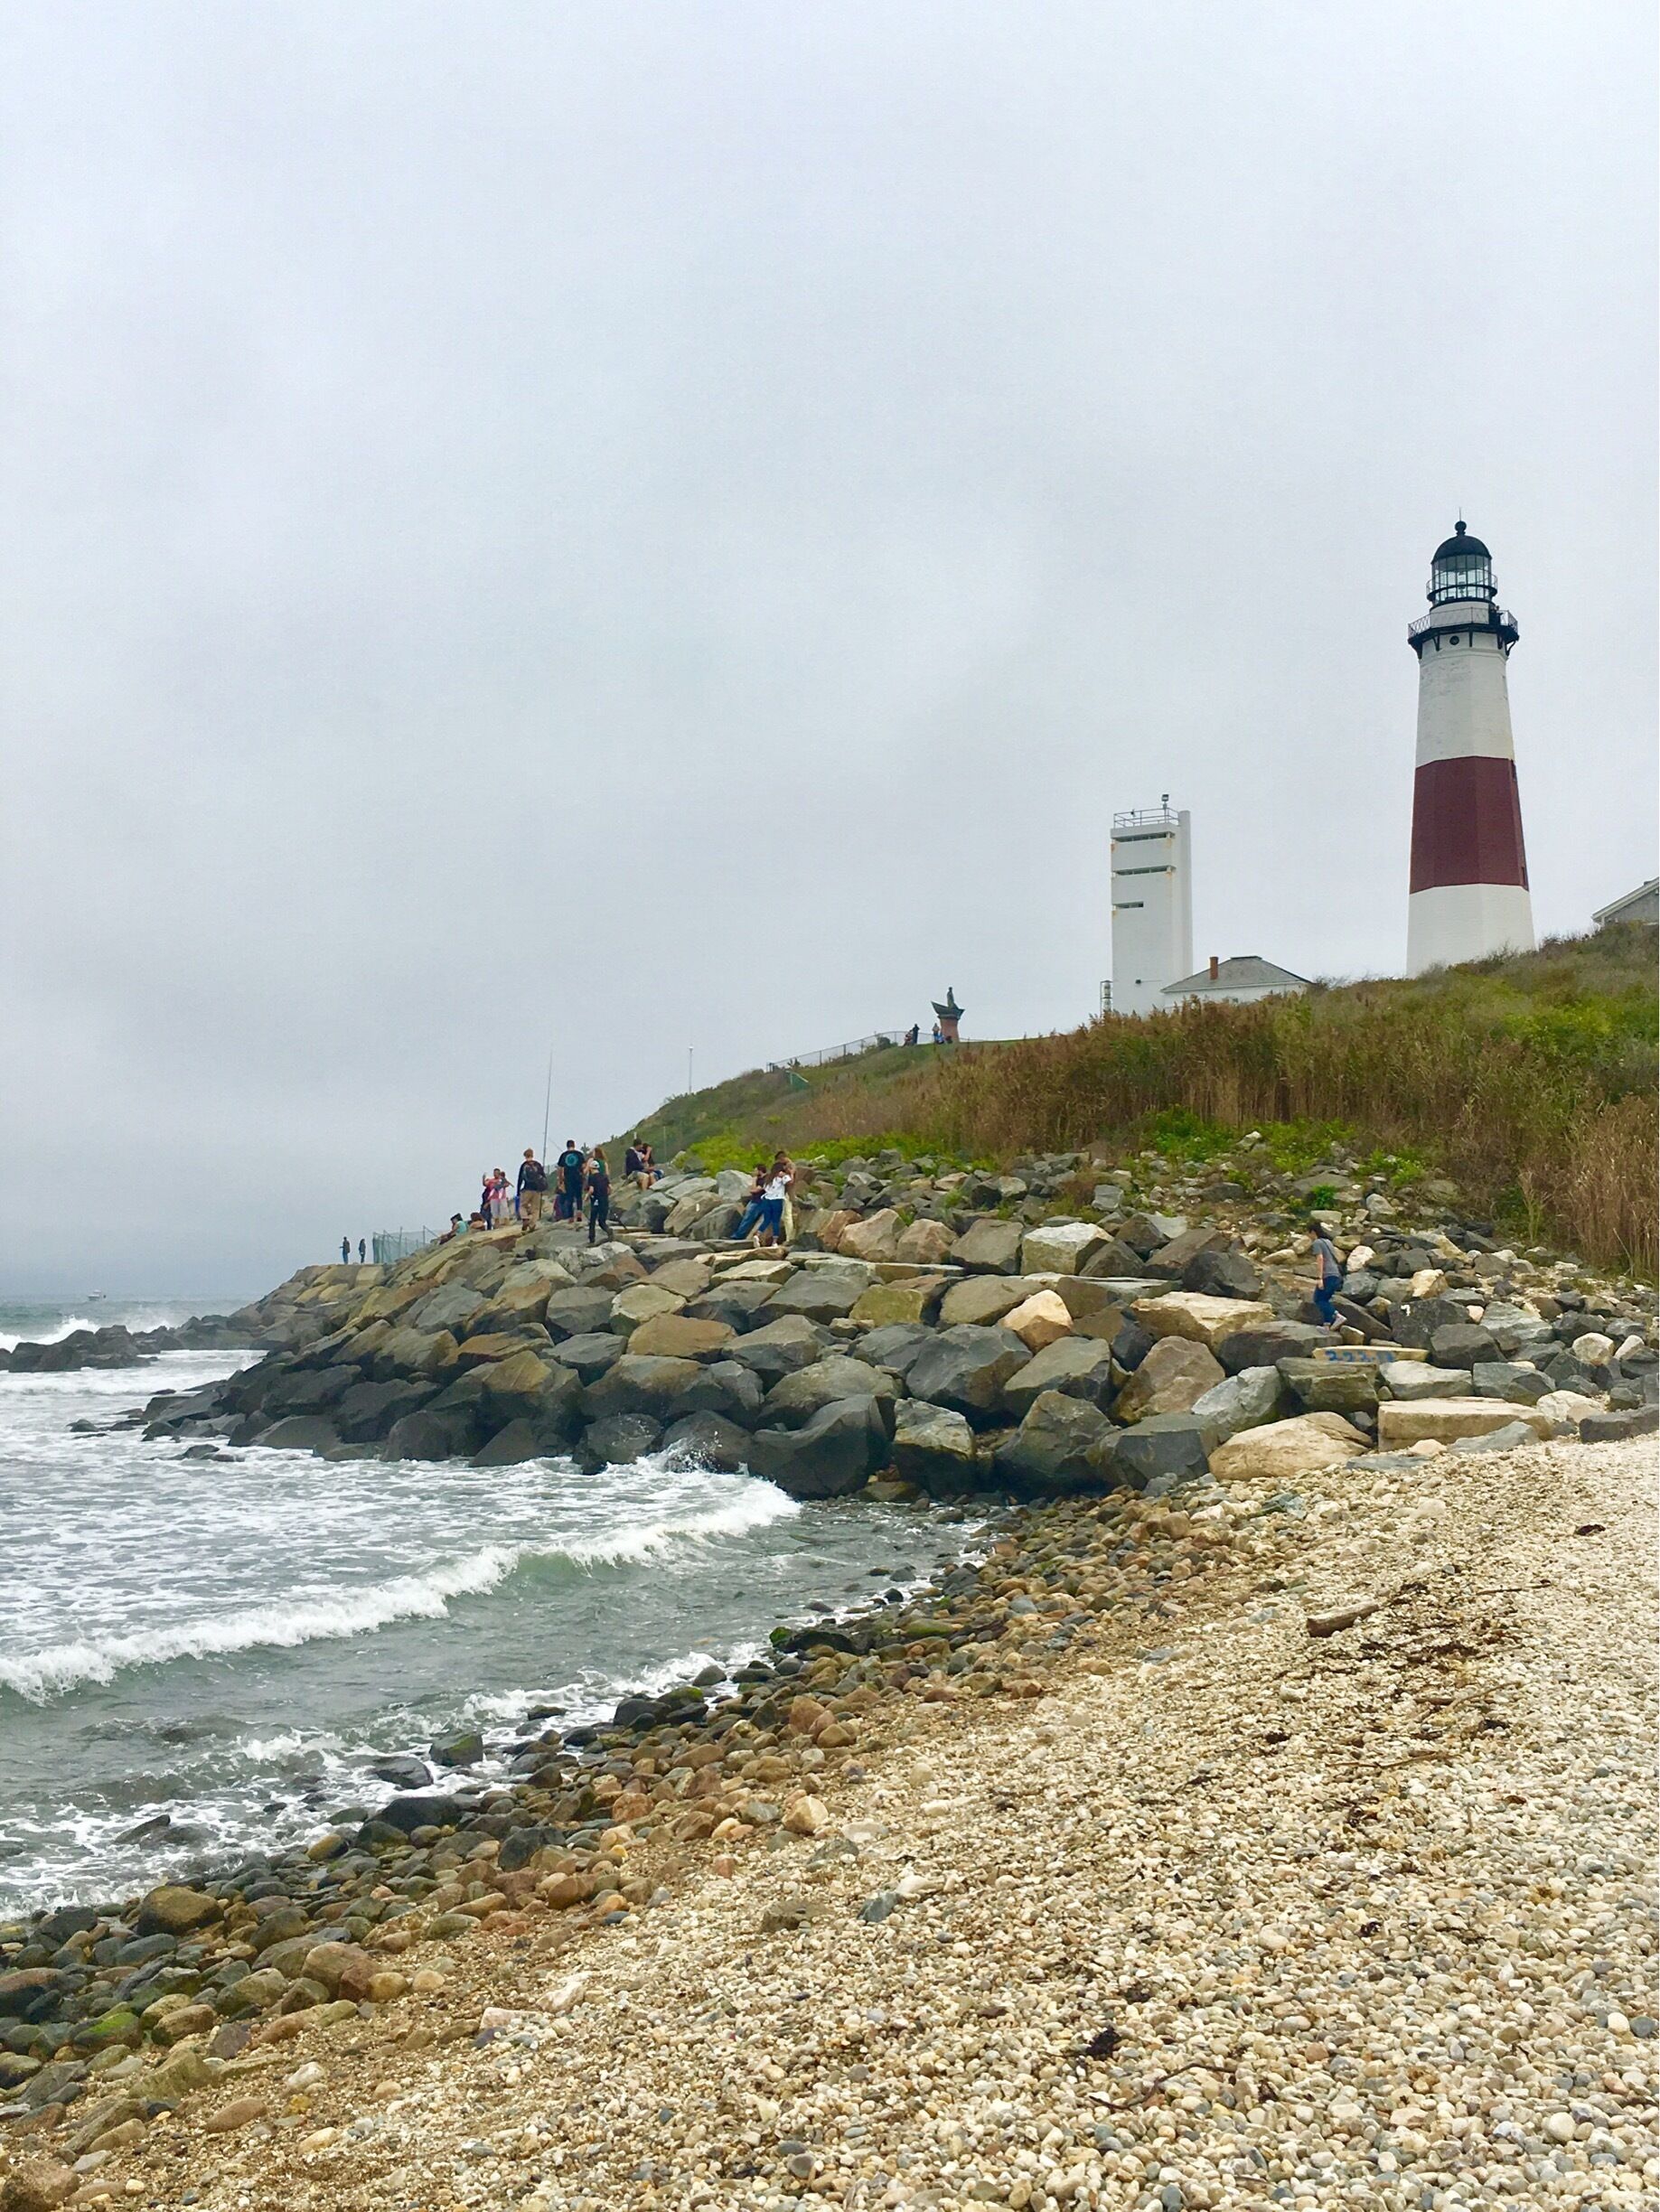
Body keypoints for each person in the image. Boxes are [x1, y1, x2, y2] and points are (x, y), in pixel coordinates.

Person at [1309, 1222, 1344, 1326]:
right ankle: (1327, 1325)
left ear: (1313, 1232)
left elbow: (1320, 1259)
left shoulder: (1317, 1243)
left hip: (1327, 1275)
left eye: (1308, 1233)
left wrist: (1320, 1278)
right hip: (1336, 1274)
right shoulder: (1328, 1242)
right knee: (1325, 1300)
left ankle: (1337, 1316)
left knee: (1319, 1299)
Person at [758, 1152, 793, 1248]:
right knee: (776, 1220)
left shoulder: (769, 1177)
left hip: (767, 1199)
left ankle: (757, 1235)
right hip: (778, 1199)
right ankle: (775, 1241)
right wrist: (790, 1173)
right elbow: (790, 1182)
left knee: (767, 1220)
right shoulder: (782, 1176)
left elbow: (764, 1188)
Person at [730, 1162, 770, 1244]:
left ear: (760, 1170)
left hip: (759, 1202)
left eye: (755, 1170)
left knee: (748, 1218)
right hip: (755, 1200)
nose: (754, 1172)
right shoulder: (760, 1179)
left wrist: (754, 1180)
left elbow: (755, 1190)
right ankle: (739, 1234)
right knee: (746, 1217)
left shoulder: (765, 1179)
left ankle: (738, 1235)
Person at [555, 1136, 585, 1223]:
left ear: (567, 1146)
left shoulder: (564, 1155)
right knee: (579, 1196)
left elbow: (560, 1169)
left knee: (569, 1197)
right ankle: (579, 1213)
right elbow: (583, 1166)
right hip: (578, 1178)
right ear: (574, 1145)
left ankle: (571, 1217)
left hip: (568, 1179)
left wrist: (560, 1181)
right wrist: (583, 1175)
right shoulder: (579, 1154)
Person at [585, 1147, 611, 1243]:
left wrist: (586, 1197)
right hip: (604, 1199)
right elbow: (610, 1188)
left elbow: (591, 1190)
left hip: (596, 1200)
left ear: (591, 1168)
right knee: (602, 1221)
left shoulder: (592, 1177)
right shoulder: (604, 1176)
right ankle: (609, 1231)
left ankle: (592, 1239)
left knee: (592, 1220)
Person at [516, 1148, 547, 1229]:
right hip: (537, 1190)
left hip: (527, 1189)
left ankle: (525, 1218)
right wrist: (543, 1187)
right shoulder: (538, 1165)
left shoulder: (524, 1165)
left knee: (523, 1206)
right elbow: (543, 1177)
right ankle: (532, 1225)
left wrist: (518, 1191)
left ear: (525, 1156)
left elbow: (520, 1179)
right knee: (535, 1209)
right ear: (532, 1155)